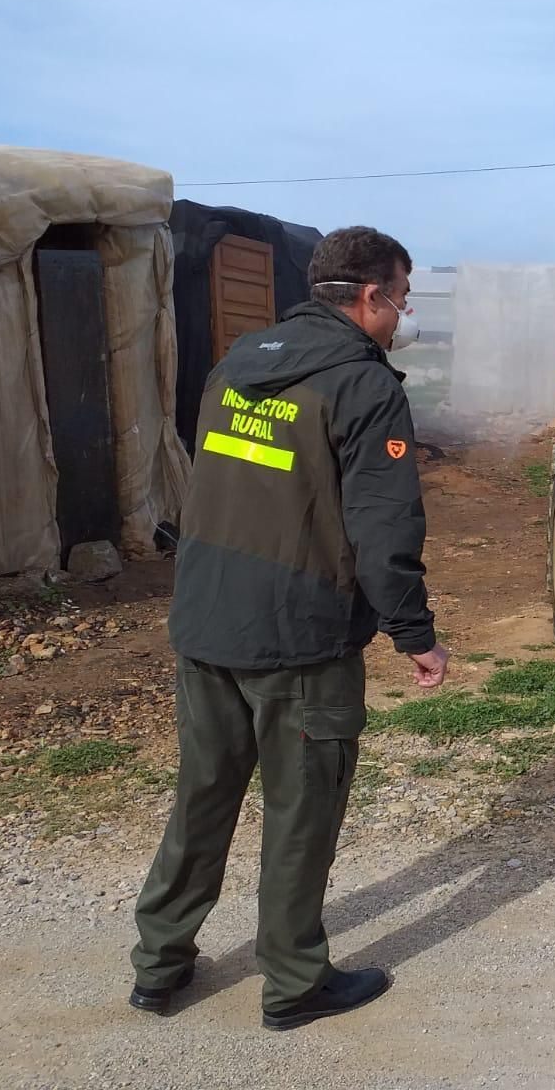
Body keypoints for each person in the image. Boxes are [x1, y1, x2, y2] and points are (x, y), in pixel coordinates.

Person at [129, 225, 449, 1031]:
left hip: (205, 619)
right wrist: (415, 634)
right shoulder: (363, 386)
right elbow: (386, 531)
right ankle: (295, 982)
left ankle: (160, 966)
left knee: (201, 798)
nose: (402, 315)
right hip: (299, 638)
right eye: (402, 300)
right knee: (300, 815)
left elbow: (221, 483)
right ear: (371, 296)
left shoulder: (240, 361)